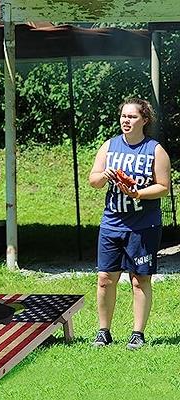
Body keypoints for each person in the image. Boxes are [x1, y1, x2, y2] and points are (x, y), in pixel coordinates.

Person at [89, 97, 170, 350]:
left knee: (139, 279)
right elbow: (93, 180)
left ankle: (137, 333)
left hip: (143, 226)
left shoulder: (155, 150)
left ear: (144, 120)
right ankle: (104, 331)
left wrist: (138, 194)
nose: (126, 121)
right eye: (124, 116)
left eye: (132, 116)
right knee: (105, 278)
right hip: (112, 224)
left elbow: (164, 187)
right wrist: (104, 175)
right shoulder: (109, 146)